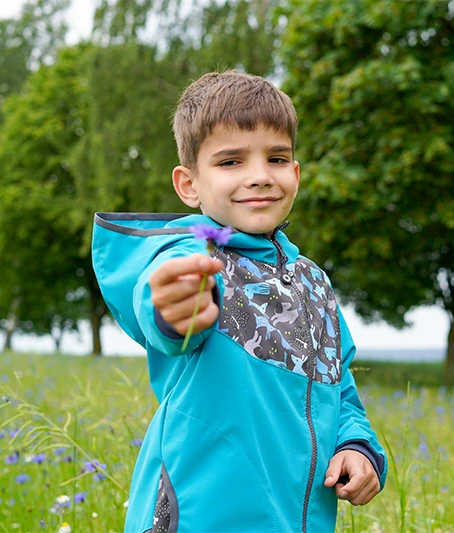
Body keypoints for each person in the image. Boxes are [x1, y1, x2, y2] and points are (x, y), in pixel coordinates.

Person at [92, 71, 387, 533]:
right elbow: (160, 301)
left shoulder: (313, 281)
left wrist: (357, 445)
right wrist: (172, 308)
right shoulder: (193, 255)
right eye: (230, 161)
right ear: (189, 184)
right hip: (200, 517)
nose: (258, 176)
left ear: (295, 172)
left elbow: (340, 387)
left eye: (276, 157)